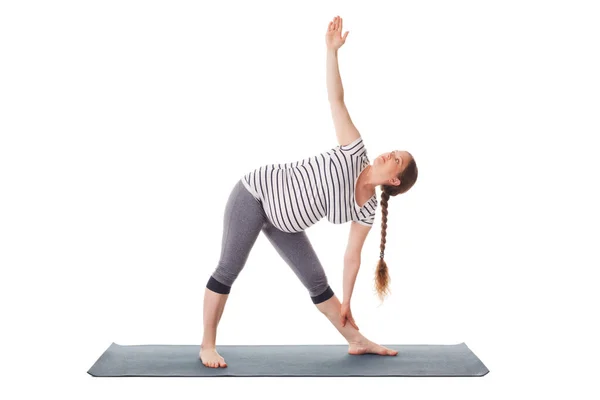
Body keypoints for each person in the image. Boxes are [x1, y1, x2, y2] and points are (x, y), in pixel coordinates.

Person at [200, 16, 418, 368]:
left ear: (395, 180)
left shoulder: (365, 211)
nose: (389, 153)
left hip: (285, 224)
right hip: (255, 195)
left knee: (318, 282)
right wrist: (331, 52)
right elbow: (337, 101)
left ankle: (357, 340)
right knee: (228, 268)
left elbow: (351, 257)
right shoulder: (354, 151)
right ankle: (207, 345)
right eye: (394, 150)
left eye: (397, 160)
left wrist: (348, 301)